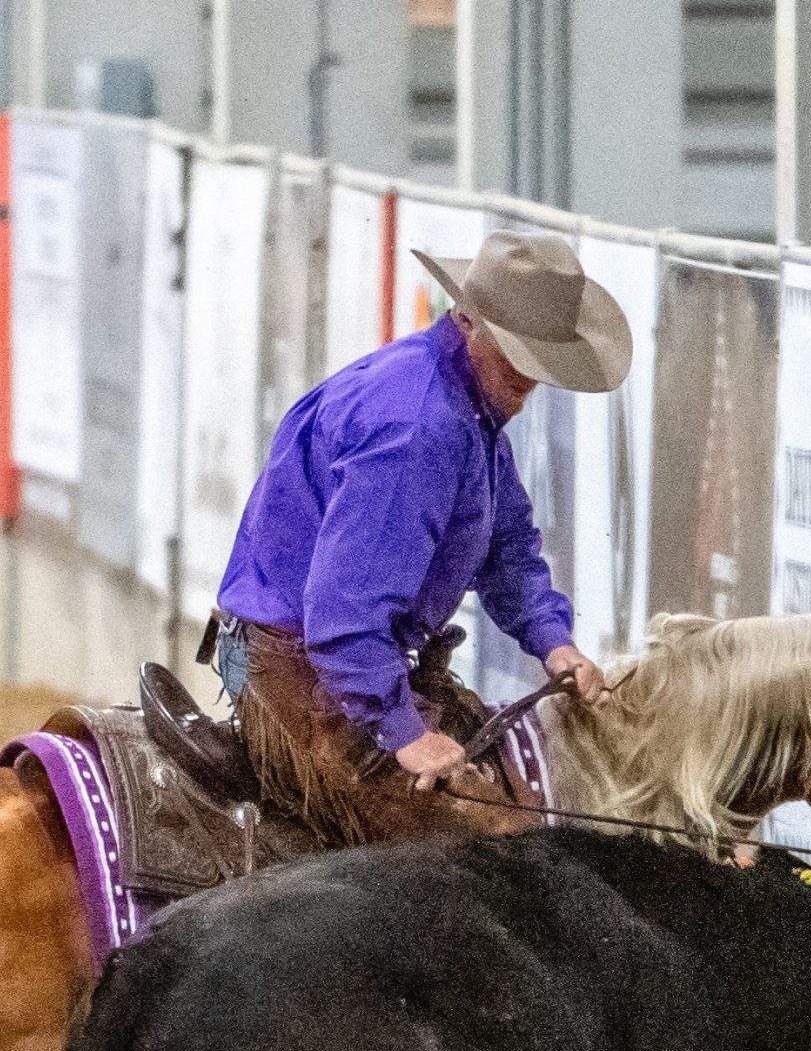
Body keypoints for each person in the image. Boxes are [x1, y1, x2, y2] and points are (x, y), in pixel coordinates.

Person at [211, 230, 631, 847]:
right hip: (306, 672)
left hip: (335, 659)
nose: (529, 377)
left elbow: (507, 547)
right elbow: (343, 616)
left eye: (538, 358)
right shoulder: (419, 428)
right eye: (518, 352)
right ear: (469, 320)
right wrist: (402, 732)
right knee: (498, 844)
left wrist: (553, 641)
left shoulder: (463, 405)